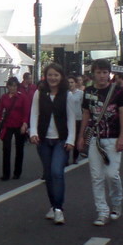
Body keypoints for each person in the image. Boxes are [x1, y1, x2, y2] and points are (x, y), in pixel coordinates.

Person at [78, 59, 123, 226]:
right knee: (96, 176)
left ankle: (116, 203)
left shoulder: (117, 91)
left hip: (113, 137)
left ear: (109, 74)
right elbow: (86, 114)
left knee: (112, 174)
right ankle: (102, 211)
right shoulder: (88, 91)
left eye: (105, 72)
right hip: (95, 137)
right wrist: (81, 136)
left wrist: (122, 136)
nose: (102, 76)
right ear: (93, 73)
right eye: (98, 72)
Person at [29, 63, 75, 225]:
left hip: (61, 140)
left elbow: (71, 118)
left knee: (57, 172)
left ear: (61, 77)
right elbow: (34, 114)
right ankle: (53, 205)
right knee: (48, 175)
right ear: (45, 76)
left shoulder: (67, 95)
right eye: (50, 75)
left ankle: (58, 208)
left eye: (56, 75)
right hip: (43, 139)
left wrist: (71, 139)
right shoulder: (39, 93)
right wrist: (33, 132)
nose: (53, 78)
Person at [0, 77, 28, 180]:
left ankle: (17, 172)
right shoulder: (4, 97)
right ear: (8, 86)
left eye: (15, 86)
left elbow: (26, 112)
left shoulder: (22, 97)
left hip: (19, 125)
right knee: (6, 149)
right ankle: (6, 174)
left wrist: (24, 124)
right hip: (8, 125)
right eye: (11, 86)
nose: (13, 88)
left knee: (19, 149)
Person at [67, 75, 84, 165]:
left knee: (77, 138)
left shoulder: (80, 93)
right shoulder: (64, 93)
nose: (70, 84)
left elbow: (84, 107)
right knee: (67, 138)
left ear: (75, 83)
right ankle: (65, 158)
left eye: (72, 82)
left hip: (78, 119)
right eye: (68, 82)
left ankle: (75, 157)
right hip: (67, 119)